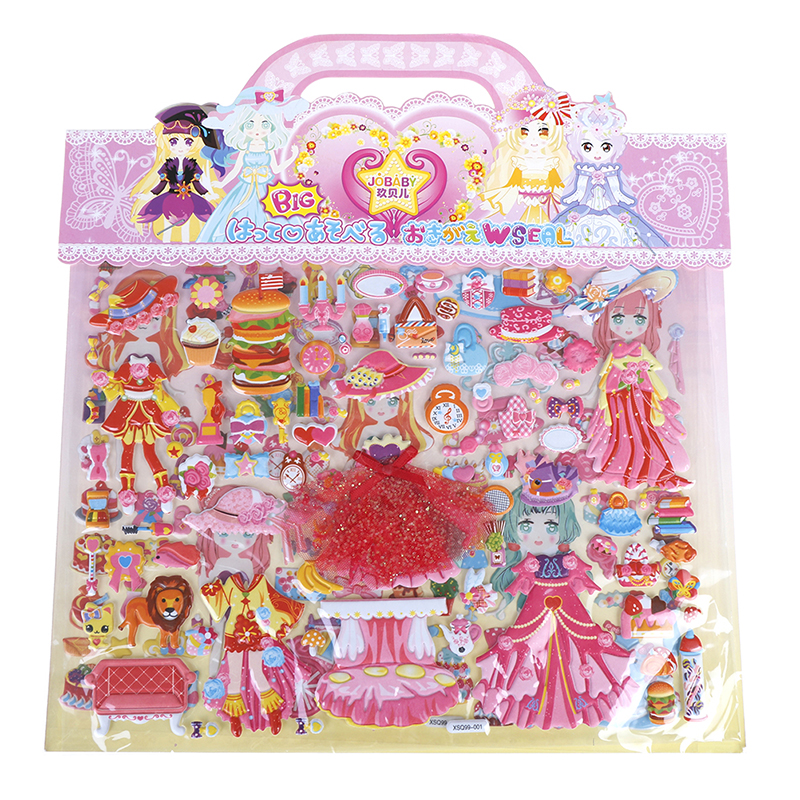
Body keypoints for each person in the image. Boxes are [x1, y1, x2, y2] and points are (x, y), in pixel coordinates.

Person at [474, 487, 635, 729]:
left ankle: (582, 702)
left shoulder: (568, 561)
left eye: (551, 526)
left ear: (565, 527)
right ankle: (526, 704)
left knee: (579, 652)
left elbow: (585, 582)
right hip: (535, 612)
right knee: (524, 652)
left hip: (570, 612)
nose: (539, 535)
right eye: (526, 525)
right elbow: (517, 586)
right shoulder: (529, 564)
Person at [551, 95, 669, 248]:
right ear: (577, 147)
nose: (597, 153)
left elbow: (619, 194)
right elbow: (575, 194)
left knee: (634, 233)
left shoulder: (612, 172)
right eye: (588, 147)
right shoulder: (582, 171)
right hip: (583, 210)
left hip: (611, 210)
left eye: (605, 147)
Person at [481, 84, 574, 224]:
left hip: (546, 205)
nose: (533, 139)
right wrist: (495, 202)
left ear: (553, 132)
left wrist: (569, 201)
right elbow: (512, 185)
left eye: (542, 131)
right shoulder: (519, 161)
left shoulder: (551, 162)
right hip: (521, 204)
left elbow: (556, 185)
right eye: (525, 132)